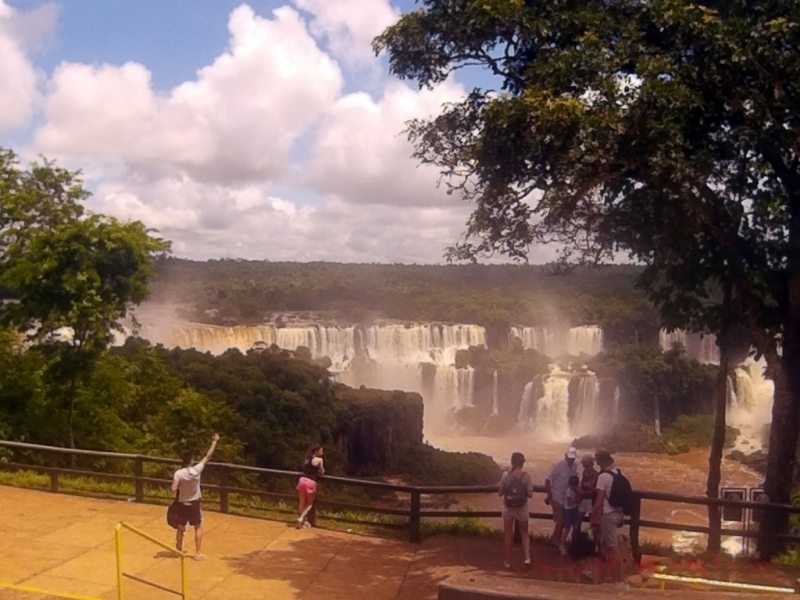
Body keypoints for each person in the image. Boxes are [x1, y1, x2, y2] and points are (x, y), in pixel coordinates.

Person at [171, 433, 219, 560]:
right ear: (191, 461)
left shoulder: (178, 473)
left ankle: (179, 550)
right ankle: (198, 553)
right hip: (194, 503)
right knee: (197, 526)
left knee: (181, 527)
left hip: (182, 503)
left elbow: (173, 489)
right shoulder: (197, 470)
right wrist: (214, 442)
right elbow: (208, 456)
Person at [498, 451, 533, 568]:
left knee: (508, 534)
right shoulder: (526, 476)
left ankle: (507, 561)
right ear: (522, 463)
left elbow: (500, 493)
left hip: (508, 507)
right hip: (522, 508)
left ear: (512, 462)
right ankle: (527, 558)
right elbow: (530, 494)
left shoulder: (505, 476)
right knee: (524, 533)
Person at [592, 450, 625, 570]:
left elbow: (599, 500)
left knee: (613, 545)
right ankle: (599, 569)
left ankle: (621, 572)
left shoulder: (602, 477)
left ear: (600, 462)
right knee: (604, 543)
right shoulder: (618, 472)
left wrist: (594, 516)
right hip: (619, 512)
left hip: (608, 514)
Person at [545, 446, 578, 546]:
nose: (571, 460)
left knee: (564, 521)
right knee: (560, 521)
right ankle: (556, 541)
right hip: (557, 496)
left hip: (568, 499)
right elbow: (548, 480)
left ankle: (558, 540)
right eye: (570, 458)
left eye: (573, 458)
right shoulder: (558, 465)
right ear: (565, 456)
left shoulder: (574, 467)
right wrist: (549, 494)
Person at [296, 445, 325, 528]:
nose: (322, 452)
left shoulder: (307, 459)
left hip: (302, 480)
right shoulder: (319, 460)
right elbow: (322, 471)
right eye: (321, 450)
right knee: (309, 503)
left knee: (301, 502)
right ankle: (301, 518)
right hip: (311, 482)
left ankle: (304, 521)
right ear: (316, 451)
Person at [578, 454, 599, 537]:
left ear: (591, 464)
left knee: (592, 523)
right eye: (584, 465)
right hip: (583, 499)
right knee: (578, 520)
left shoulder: (597, 475)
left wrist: (590, 487)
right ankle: (577, 539)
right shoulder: (584, 472)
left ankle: (592, 541)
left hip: (591, 500)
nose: (585, 467)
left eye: (586, 465)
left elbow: (598, 491)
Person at [560, 475, 581, 555]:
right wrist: (577, 499)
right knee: (567, 528)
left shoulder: (577, 490)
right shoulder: (568, 491)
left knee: (575, 527)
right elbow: (569, 503)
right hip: (568, 510)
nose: (573, 487)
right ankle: (562, 544)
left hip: (574, 510)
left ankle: (573, 543)